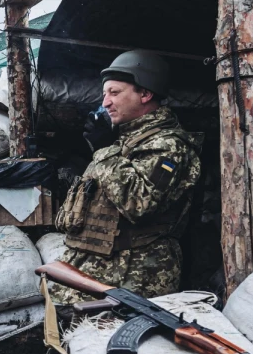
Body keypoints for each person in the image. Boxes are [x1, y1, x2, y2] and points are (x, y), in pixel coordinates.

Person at [53, 50, 202, 304]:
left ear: (145, 94)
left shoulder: (168, 145)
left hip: (132, 276)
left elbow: (139, 204)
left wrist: (104, 150)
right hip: (93, 270)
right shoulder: (122, 141)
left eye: (114, 92)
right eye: (104, 94)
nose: (106, 103)